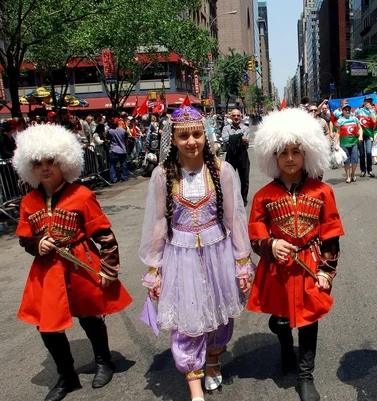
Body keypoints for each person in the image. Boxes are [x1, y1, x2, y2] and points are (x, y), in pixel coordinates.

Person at [139, 104, 254, 401]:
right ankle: (194, 385)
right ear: (173, 140)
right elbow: (159, 223)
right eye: (184, 136)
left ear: (206, 135)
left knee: (219, 312)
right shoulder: (163, 174)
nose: (191, 141)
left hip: (218, 252)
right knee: (187, 316)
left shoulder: (222, 171)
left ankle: (213, 360)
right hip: (181, 256)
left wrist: (242, 261)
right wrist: (154, 268)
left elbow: (234, 219)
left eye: (197, 134)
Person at [12, 124, 132, 401]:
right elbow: (24, 239)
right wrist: (37, 244)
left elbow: (104, 236)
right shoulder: (28, 201)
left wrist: (109, 269)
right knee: (47, 326)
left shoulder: (82, 195)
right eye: (37, 163)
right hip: (46, 271)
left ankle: (104, 361)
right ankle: (67, 375)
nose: (44, 168)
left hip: (81, 264)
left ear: (64, 161)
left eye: (50, 161)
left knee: (90, 317)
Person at [248, 108, 344, 401]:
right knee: (278, 320)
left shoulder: (323, 191)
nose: (290, 158)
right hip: (276, 269)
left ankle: (305, 375)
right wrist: (270, 245)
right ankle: (283, 344)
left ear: (308, 154)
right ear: (272, 157)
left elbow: (331, 233)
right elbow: (255, 232)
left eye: (296, 152)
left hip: (309, 266)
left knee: (308, 319)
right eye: (283, 152)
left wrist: (327, 270)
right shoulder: (264, 195)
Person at [221, 108, 251, 206]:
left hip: (243, 155)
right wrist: (239, 137)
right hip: (231, 156)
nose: (236, 117)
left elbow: (246, 140)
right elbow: (225, 139)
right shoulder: (226, 128)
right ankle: (231, 199)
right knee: (229, 179)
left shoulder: (245, 128)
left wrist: (233, 139)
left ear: (241, 117)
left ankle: (244, 199)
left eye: (238, 115)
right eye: (234, 115)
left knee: (244, 179)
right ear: (231, 117)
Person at [336, 104, 362, 183]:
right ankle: (348, 176)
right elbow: (337, 132)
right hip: (344, 143)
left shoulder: (355, 119)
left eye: (348, 110)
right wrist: (336, 143)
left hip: (354, 142)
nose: (347, 111)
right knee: (346, 161)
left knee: (355, 160)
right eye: (345, 110)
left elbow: (360, 128)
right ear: (343, 111)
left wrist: (360, 136)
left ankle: (353, 174)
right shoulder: (340, 121)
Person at [355, 96, 377, 177]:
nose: (369, 103)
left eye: (370, 102)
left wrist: (370, 110)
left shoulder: (373, 111)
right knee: (361, 153)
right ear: (364, 102)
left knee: (368, 152)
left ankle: (370, 170)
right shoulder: (358, 111)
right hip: (360, 134)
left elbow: (374, 120)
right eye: (367, 101)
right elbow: (354, 120)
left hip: (369, 134)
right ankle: (362, 170)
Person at [106, 119, 129, 183]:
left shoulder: (110, 131)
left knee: (113, 165)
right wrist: (127, 148)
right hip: (122, 150)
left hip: (114, 150)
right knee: (123, 164)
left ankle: (114, 179)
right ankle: (124, 177)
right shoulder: (123, 131)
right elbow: (126, 140)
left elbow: (107, 138)